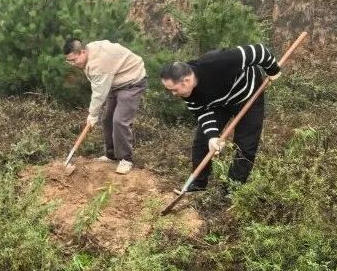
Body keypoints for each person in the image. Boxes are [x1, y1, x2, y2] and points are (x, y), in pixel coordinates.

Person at [160, 43, 282, 194]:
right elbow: (202, 112)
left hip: (248, 94)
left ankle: (232, 188)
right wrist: (212, 137)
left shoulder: (218, 62)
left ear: (186, 81)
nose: (173, 94)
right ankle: (198, 183)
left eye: (174, 89)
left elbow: (259, 51)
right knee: (202, 141)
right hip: (219, 103)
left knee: (245, 145)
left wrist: (273, 71)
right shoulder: (186, 92)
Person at [64, 39, 147, 174]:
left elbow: (99, 93)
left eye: (73, 60)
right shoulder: (90, 52)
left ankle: (126, 159)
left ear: (83, 52)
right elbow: (100, 86)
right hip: (114, 81)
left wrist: (92, 114)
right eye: (69, 61)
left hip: (132, 81)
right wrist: (94, 114)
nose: (73, 64)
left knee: (120, 121)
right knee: (107, 119)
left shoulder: (99, 64)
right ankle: (111, 155)